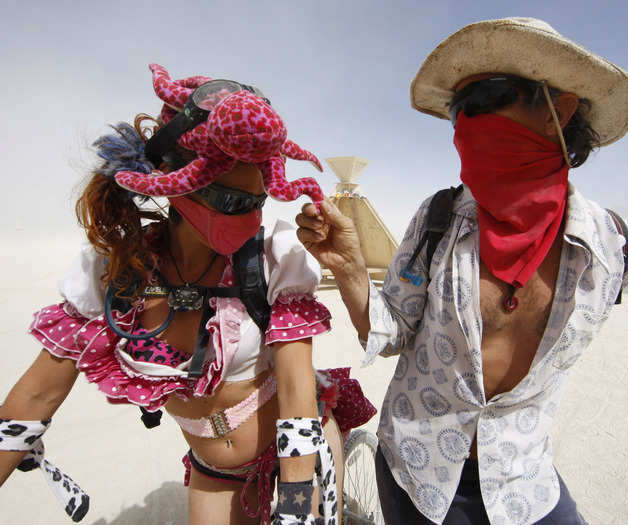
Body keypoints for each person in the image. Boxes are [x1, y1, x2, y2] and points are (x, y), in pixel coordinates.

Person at [296, 17, 628, 525]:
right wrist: (350, 268)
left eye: (488, 100)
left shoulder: (617, 249)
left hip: (523, 480)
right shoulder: (437, 220)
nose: (466, 125)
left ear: (559, 110)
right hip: (418, 474)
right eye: (460, 110)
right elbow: (392, 328)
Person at [0, 63, 375, 525]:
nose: (249, 221)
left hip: (300, 450)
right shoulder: (115, 272)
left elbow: (297, 391)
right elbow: (36, 399)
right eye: (229, 202)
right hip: (216, 469)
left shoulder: (275, 257)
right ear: (172, 182)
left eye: (256, 202)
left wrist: (297, 511)